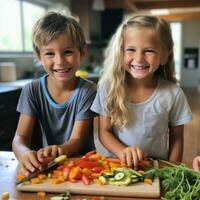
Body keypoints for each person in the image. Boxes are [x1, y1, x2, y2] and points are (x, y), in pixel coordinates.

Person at [91, 15, 192, 168]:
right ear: (121, 52)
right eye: (131, 49)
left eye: (149, 51)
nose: (139, 58)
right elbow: (104, 132)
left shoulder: (173, 94)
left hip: (155, 169)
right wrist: (123, 152)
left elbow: (177, 139)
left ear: (166, 56)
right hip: (116, 165)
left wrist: (171, 169)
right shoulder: (108, 88)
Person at [12, 12, 97, 176]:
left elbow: (77, 141)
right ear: (39, 57)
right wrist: (24, 154)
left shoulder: (89, 91)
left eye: (68, 52)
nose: (60, 61)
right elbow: (20, 137)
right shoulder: (32, 90)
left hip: (83, 167)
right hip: (51, 168)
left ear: (82, 52)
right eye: (50, 53)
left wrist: (58, 150)